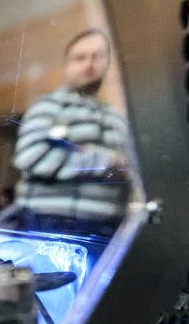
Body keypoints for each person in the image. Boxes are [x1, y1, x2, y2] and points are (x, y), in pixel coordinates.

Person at [12, 28, 129, 239]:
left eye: (97, 57)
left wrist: (80, 154)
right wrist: (107, 161)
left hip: (109, 227)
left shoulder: (115, 116)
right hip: (50, 223)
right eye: (80, 57)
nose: (89, 64)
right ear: (66, 65)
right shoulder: (48, 105)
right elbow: (30, 158)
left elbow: (129, 167)